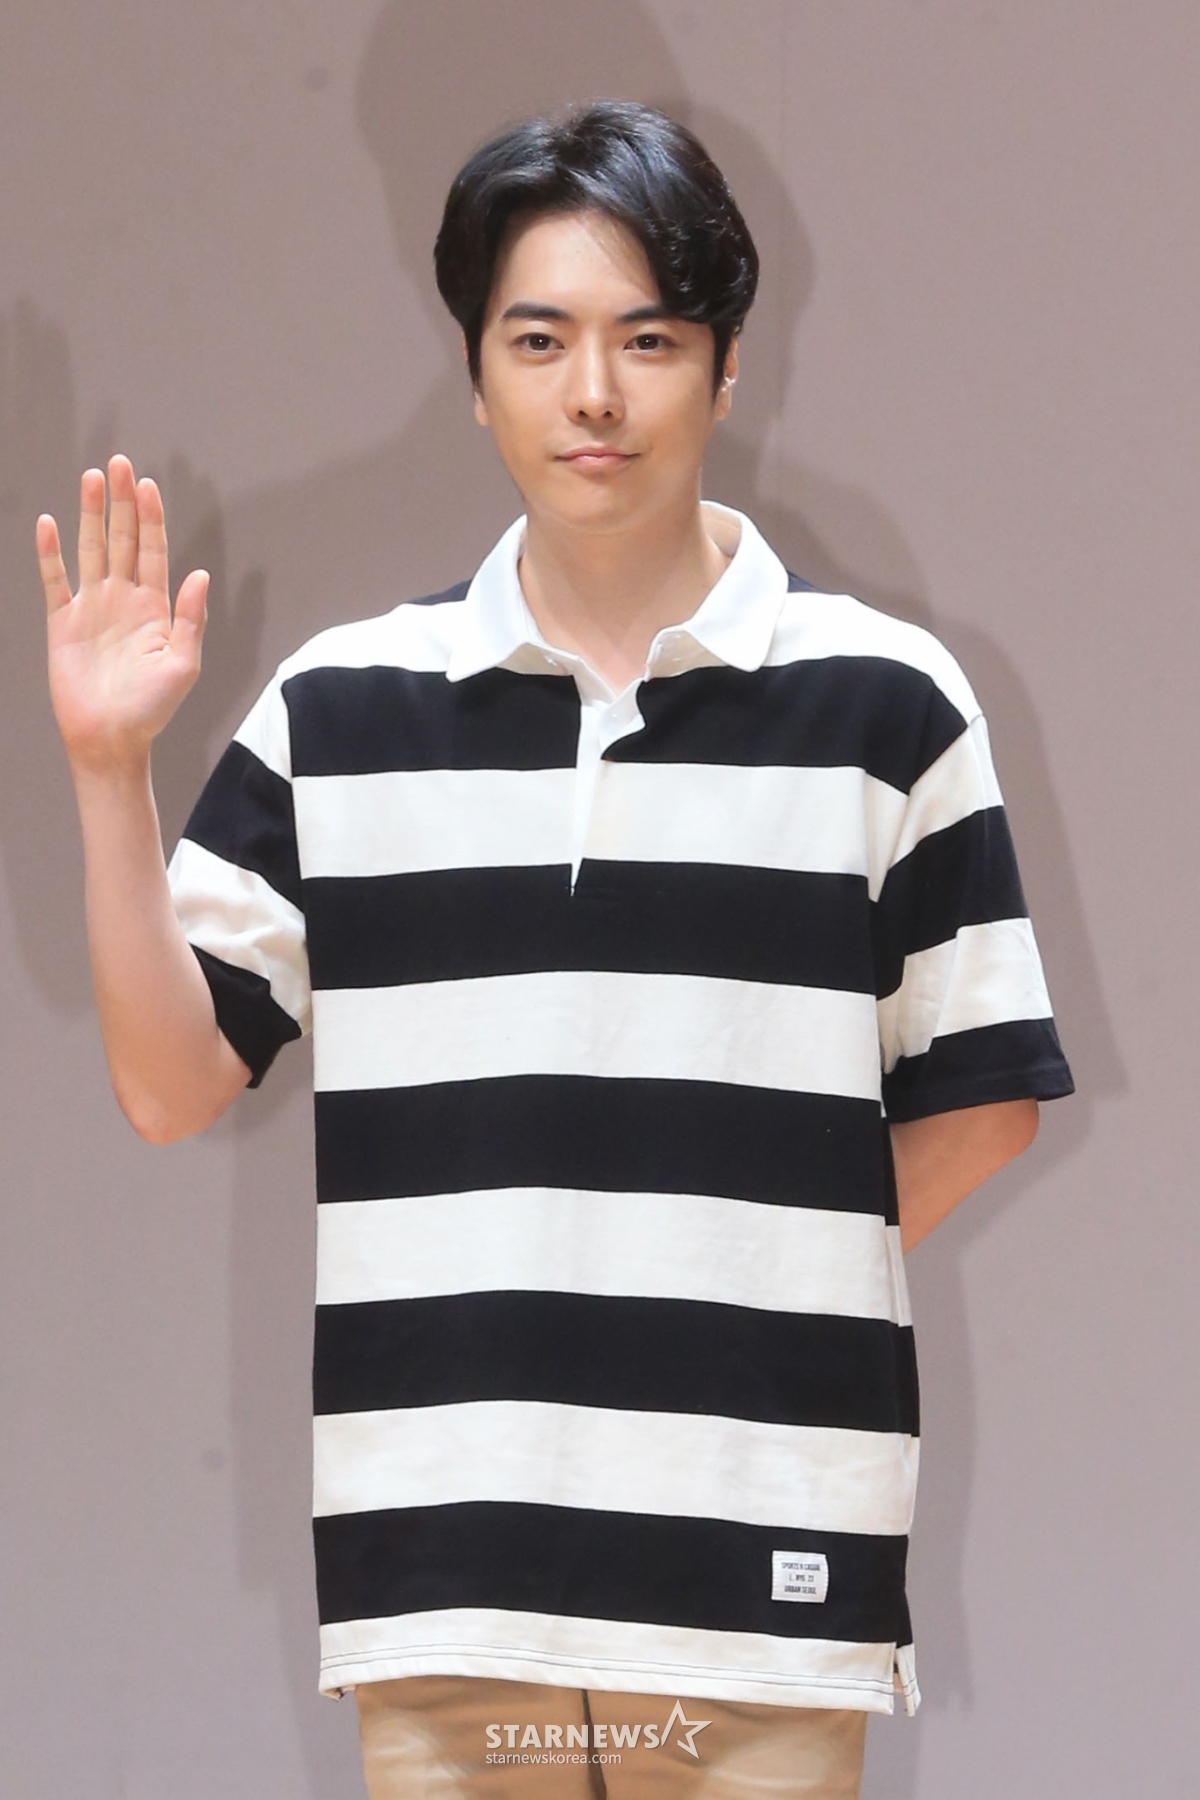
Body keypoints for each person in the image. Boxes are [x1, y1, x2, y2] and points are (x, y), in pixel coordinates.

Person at [37, 102, 1073, 1800]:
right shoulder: (340, 713)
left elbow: (983, 1096)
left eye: (648, 339)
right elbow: (169, 1084)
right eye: (540, 340)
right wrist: (104, 771)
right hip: (445, 1564)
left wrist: (707, 1278)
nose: (594, 392)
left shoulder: (886, 708)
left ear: (725, 370)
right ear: (477, 374)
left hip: (758, 1572)